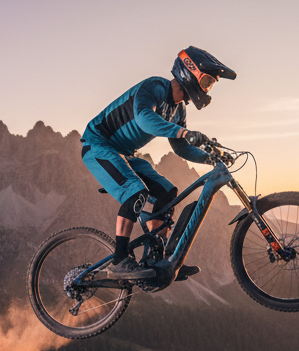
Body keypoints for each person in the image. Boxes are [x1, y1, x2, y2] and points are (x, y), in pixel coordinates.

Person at [80, 46, 236, 279]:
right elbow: (144, 118)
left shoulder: (179, 111)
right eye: (206, 81)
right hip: (98, 144)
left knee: (167, 192)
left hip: (124, 154)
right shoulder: (155, 86)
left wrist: (210, 158)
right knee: (136, 192)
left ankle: (158, 259)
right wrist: (184, 133)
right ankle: (120, 260)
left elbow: (182, 148)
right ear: (189, 71)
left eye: (210, 85)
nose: (207, 89)